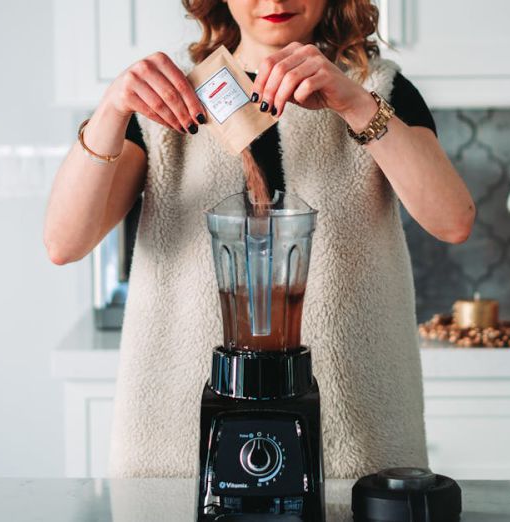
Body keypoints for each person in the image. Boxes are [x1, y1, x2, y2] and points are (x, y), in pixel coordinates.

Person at [43, 0, 475, 479]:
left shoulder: (376, 89)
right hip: (178, 440)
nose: (275, 1)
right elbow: (65, 242)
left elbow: (452, 221)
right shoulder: (167, 101)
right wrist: (111, 109)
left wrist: (353, 102)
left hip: (354, 434)